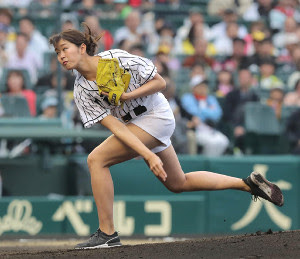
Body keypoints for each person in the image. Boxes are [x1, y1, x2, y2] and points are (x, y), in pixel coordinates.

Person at [49, 24, 284, 249]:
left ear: (81, 48)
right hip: (135, 125)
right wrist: (146, 153)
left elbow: (160, 82)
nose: (61, 56)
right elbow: (117, 128)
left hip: (155, 114)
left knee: (96, 160)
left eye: (65, 48)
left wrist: (129, 97)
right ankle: (247, 184)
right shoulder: (81, 90)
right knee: (177, 183)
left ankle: (107, 233)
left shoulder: (114, 59)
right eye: (58, 52)